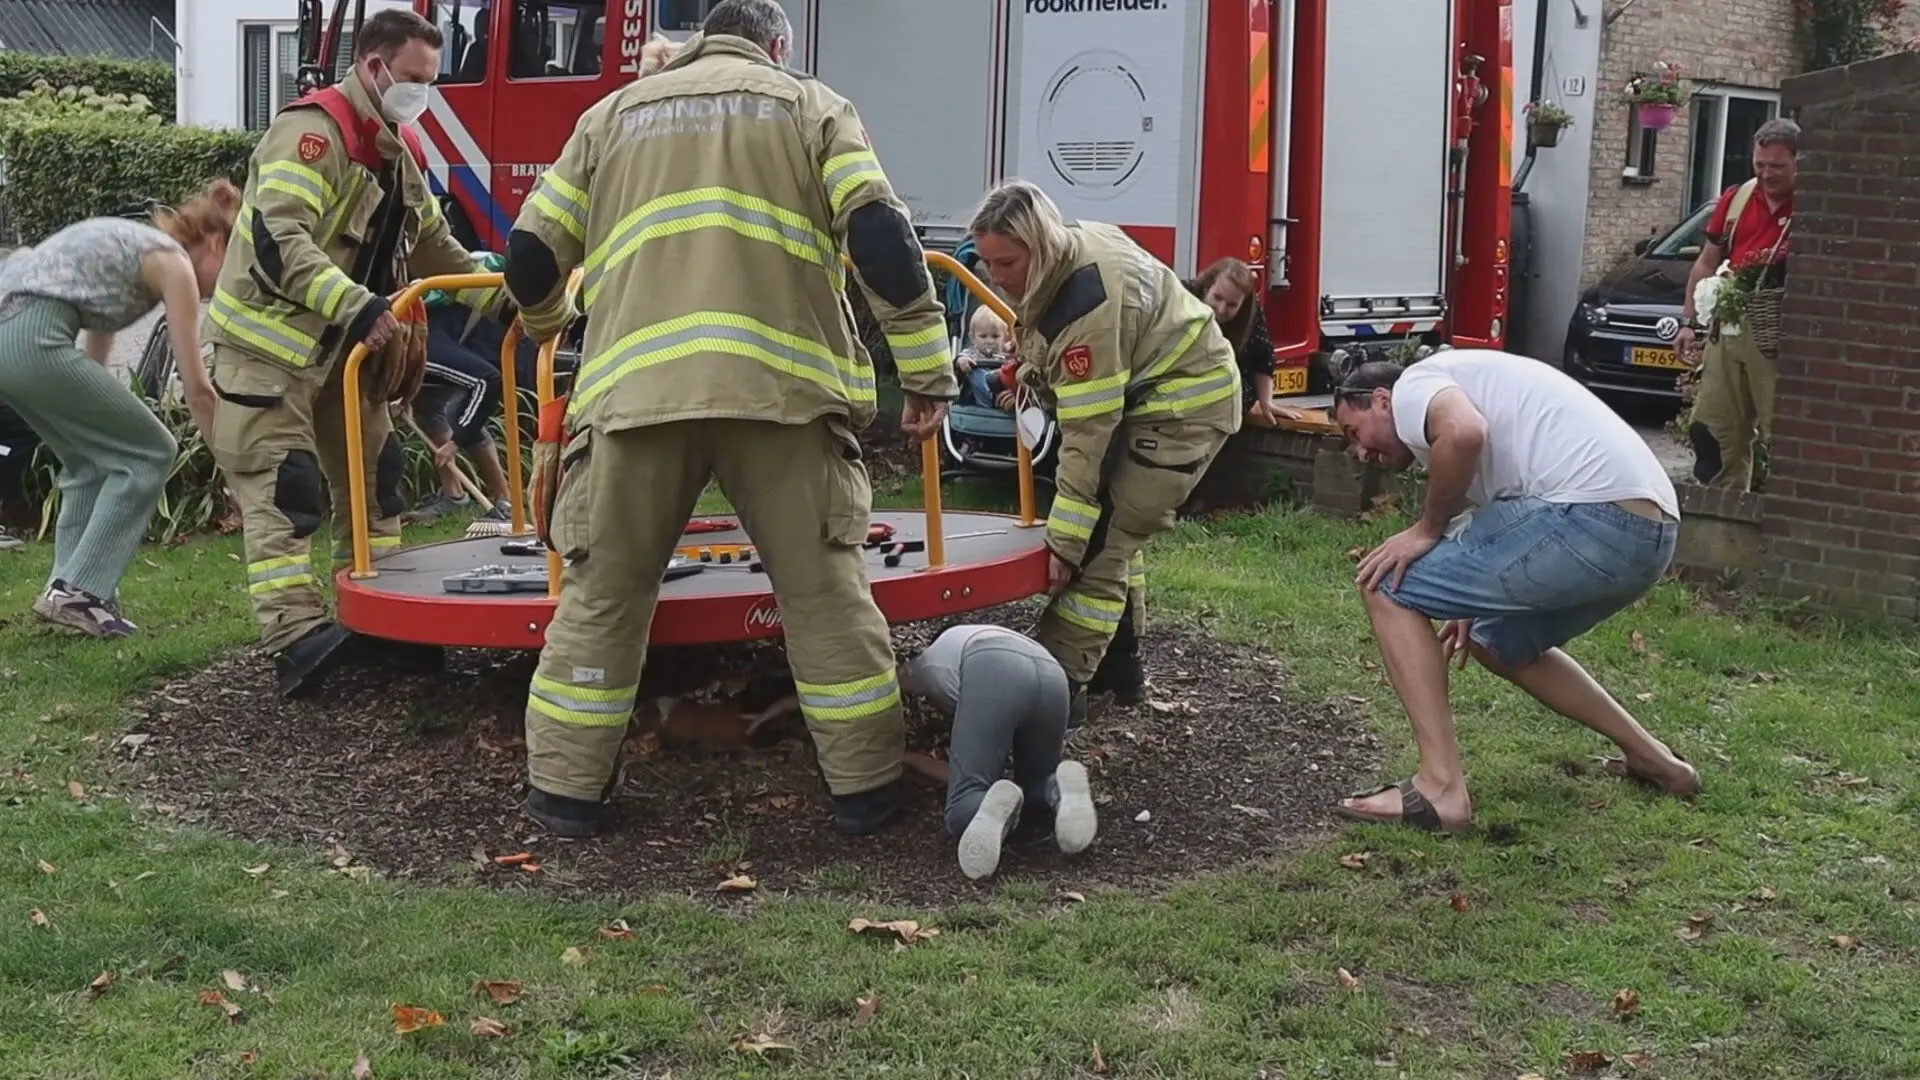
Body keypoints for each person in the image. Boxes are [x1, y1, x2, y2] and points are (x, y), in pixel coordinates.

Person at [502, 0, 956, 839]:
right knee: (823, 597)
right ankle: (865, 794)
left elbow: (528, 256)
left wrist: (542, 326)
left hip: (634, 401)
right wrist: (926, 370)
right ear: (775, 46)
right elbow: (882, 237)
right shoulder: (810, 106)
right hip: (781, 398)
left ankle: (564, 796)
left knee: (604, 597)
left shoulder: (608, 118)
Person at [204, 9, 508, 698]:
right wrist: (363, 306)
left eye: (430, 81)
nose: (422, 94)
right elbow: (283, 244)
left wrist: (499, 299)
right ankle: (296, 636)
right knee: (288, 491)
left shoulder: (394, 146)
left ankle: (381, 617)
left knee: (378, 477)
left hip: (344, 358)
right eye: (412, 79)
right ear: (372, 66)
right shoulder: (311, 136)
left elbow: (431, 240)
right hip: (267, 351)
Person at [1328, 350, 1699, 833]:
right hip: (1650, 535)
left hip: (1590, 515)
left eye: (1353, 433)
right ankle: (1656, 760)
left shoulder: (1416, 383)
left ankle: (1440, 788)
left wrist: (1426, 529)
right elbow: (1510, 495)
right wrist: (1476, 589)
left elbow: (1463, 433)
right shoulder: (1474, 387)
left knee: (1387, 587)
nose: (1361, 454)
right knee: (1495, 642)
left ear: (1381, 400)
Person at [970, 180, 1242, 723]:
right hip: (1160, 399)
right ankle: (1121, 670)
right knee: (1117, 536)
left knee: (1095, 550)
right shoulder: (1068, 259)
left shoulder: (1087, 301)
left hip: (1180, 412)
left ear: (1040, 246)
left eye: (1006, 262)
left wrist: (1066, 541)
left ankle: (1050, 693)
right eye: (986, 263)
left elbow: (1089, 432)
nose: (995, 277)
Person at [0, 182, 237, 636]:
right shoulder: (174, 264)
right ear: (215, 242)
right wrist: (232, 471)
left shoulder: (134, 247)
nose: (221, 287)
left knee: (88, 462)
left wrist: (95, 412)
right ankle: (81, 593)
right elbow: (199, 392)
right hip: (33, 339)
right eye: (230, 268)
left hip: (10, 341)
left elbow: (94, 356)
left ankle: (66, 593)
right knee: (151, 451)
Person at [743, 624, 1099, 879]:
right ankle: (1060, 788)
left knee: (964, 802)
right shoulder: (963, 644)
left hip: (993, 667)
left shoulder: (923, 666)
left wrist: (779, 708)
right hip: (1052, 671)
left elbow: (852, 690)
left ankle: (989, 807)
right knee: (1035, 785)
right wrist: (912, 759)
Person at [1679, 118, 1797, 492]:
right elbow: (1706, 261)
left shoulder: (1819, 203)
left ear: (1800, 162)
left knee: (1788, 438)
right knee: (1713, 433)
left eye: (1777, 167)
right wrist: (1688, 323)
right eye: (1759, 165)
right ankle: (1720, 530)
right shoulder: (1739, 198)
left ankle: (1787, 526)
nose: (1766, 175)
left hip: (1781, 333)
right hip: (1726, 330)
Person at [408, 250, 533, 532]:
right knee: (427, 407)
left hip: (495, 318)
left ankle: (505, 501)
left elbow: (488, 381)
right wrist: (402, 397)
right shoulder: (412, 344)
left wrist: (453, 445)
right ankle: (454, 497)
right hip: (457, 324)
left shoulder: (428, 350)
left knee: (462, 410)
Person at [1184, 257, 1302, 427]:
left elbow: (1262, 357)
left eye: (1232, 305)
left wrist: (1267, 402)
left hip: (1226, 389)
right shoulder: (1183, 297)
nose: (1221, 309)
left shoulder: (1251, 315)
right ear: (1207, 287)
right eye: (1217, 298)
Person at [954, 305, 1012, 408]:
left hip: (1003, 398)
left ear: (1005, 336)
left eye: (995, 336)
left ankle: (1001, 401)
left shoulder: (1007, 355)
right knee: (975, 372)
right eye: (983, 336)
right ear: (973, 337)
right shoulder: (971, 353)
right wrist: (961, 361)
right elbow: (960, 359)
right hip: (974, 402)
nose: (989, 341)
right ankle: (989, 399)